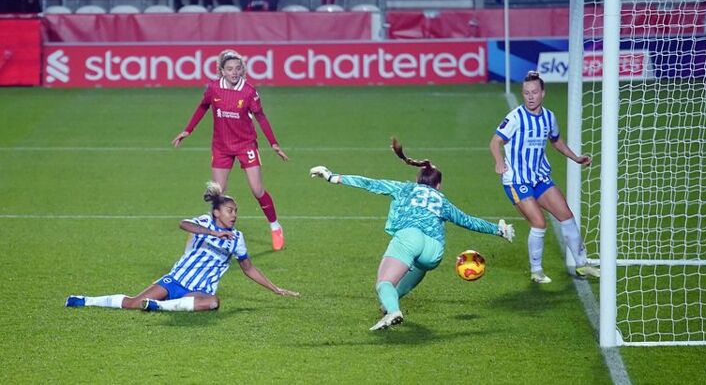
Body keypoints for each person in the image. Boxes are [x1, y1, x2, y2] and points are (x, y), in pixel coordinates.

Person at [309, 138, 515, 330]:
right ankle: (389, 305)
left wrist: (331, 176)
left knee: (384, 283)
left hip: (410, 237)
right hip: (434, 251)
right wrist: (499, 229)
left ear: (418, 179)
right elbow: (469, 221)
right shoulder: (442, 201)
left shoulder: (404, 188)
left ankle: (393, 311)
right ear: (438, 185)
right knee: (415, 267)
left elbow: (369, 183)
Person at [65, 182, 299, 312]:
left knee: (213, 303)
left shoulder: (237, 238)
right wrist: (214, 232)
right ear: (217, 212)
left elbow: (248, 268)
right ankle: (85, 300)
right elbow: (183, 224)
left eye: (236, 211)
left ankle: (159, 307)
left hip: (200, 290)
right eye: (230, 211)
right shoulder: (205, 223)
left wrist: (275, 288)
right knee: (132, 304)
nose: (234, 215)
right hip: (176, 279)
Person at [489, 70, 600, 284]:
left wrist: (575, 157)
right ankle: (536, 271)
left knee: (566, 216)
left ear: (543, 93)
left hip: (540, 177)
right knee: (539, 223)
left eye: (534, 92)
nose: (530, 96)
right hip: (517, 180)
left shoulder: (549, 117)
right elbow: (495, 142)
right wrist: (499, 161)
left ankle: (582, 264)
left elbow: (556, 140)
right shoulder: (515, 117)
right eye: (526, 93)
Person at [172, 50, 288, 251]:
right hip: (221, 147)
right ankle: (216, 234)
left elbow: (260, 117)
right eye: (230, 69)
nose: (234, 72)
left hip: (246, 145)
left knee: (257, 190)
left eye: (238, 68)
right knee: (218, 193)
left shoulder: (249, 92)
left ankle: (275, 226)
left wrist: (274, 143)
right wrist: (187, 130)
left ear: (243, 70)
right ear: (222, 71)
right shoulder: (214, 89)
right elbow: (202, 107)